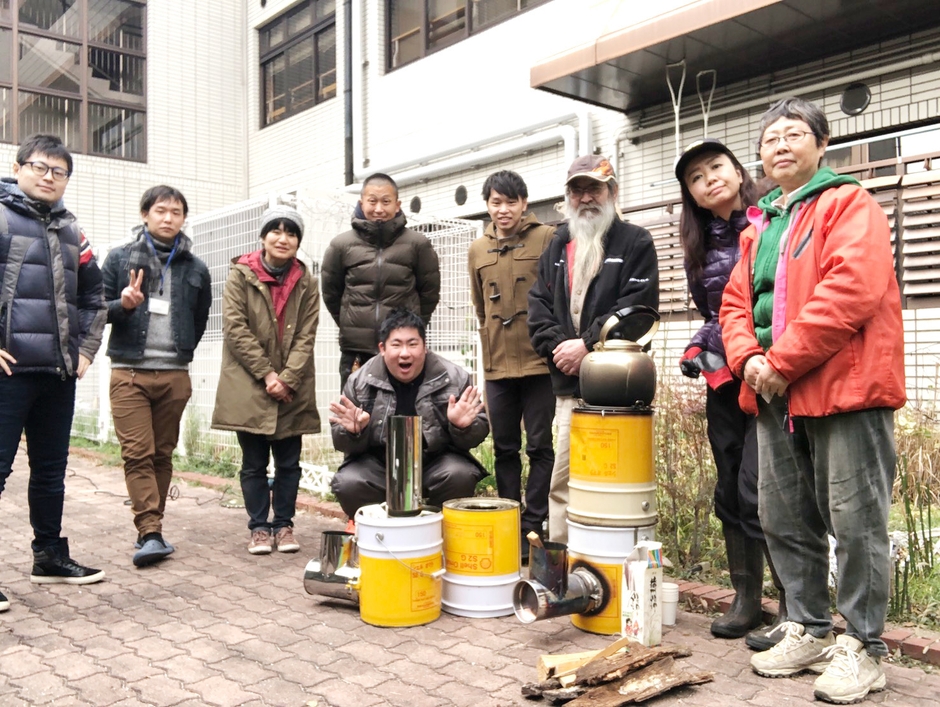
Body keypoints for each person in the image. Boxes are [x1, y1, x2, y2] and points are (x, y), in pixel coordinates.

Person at [720, 97, 905, 704]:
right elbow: (733, 305)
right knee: (785, 517)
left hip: (843, 389)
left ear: (822, 145)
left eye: (794, 134)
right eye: (770, 138)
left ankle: (865, 647)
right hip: (775, 394)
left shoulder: (848, 203)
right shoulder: (761, 227)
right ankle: (810, 625)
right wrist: (748, 358)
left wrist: (778, 360)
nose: (780, 145)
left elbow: (850, 289)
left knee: (855, 523)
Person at [673, 140, 783, 643]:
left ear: (739, 172)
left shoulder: (771, 221)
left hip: (771, 376)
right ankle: (746, 600)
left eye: (717, 167)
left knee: (765, 491)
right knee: (729, 486)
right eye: (697, 177)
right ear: (692, 196)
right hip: (724, 379)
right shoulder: (700, 245)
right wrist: (703, 345)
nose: (709, 179)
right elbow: (713, 314)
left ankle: (793, 605)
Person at [528, 155, 659, 544]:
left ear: (612, 192)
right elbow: (537, 310)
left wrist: (587, 346)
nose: (585, 198)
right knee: (564, 481)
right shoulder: (557, 244)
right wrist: (561, 351)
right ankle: (562, 566)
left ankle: (615, 561)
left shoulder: (635, 241)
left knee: (620, 482)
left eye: (594, 189)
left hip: (621, 390)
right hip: (571, 387)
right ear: (567, 197)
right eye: (577, 190)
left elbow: (639, 310)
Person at [0, 134, 108, 608]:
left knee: (50, 472)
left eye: (58, 172)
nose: (48, 177)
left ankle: (49, 556)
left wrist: (85, 350)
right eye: (40, 167)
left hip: (59, 374)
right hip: (8, 373)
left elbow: (93, 298)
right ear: (19, 167)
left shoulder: (73, 232)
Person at [101, 186, 212, 567]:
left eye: (177, 212)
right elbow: (95, 310)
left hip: (174, 376)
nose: (169, 218)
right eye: (161, 210)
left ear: (183, 218)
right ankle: (150, 531)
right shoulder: (119, 259)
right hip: (129, 372)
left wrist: (182, 353)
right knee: (137, 453)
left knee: (162, 453)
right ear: (145, 214)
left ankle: (153, 528)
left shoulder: (195, 267)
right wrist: (124, 304)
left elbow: (200, 319)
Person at [212, 206, 321, 555]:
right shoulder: (240, 275)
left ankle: (284, 525)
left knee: (290, 462)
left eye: (291, 233)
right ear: (263, 236)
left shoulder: (308, 282)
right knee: (254, 463)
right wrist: (268, 374)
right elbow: (235, 329)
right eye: (276, 231)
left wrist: (287, 377)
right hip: (250, 382)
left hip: (293, 386)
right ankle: (259, 527)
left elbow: (307, 335)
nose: (283, 238)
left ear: (298, 241)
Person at [468, 170, 555, 557]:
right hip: (498, 363)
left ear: (524, 203)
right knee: (504, 446)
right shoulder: (476, 249)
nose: (504, 210)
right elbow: (479, 305)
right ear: (487, 205)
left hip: (538, 361)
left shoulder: (547, 237)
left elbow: (557, 291)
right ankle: (508, 520)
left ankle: (533, 525)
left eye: (511, 202)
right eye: (496, 202)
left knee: (539, 445)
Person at [329, 308, 488, 519]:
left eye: (413, 344)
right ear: (382, 348)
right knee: (349, 482)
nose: (405, 353)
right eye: (396, 344)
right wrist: (354, 433)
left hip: (435, 461)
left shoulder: (454, 377)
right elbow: (341, 442)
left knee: (459, 474)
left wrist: (461, 427)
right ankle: (379, 535)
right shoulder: (360, 381)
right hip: (378, 464)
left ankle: (442, 534)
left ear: (424, 347)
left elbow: (476, 434)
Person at [321, 173, 441, 389]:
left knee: (403, 416)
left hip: (402, 352)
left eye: (386, 201)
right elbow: (331, 293)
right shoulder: (341, 245)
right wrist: (353, 321)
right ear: (361, 203)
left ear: (397, 205)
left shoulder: (417, 244)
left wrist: (411, 327)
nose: (379, 209)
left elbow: (429, 293)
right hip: (356, 350)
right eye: (372, 201)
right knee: (355, 416)